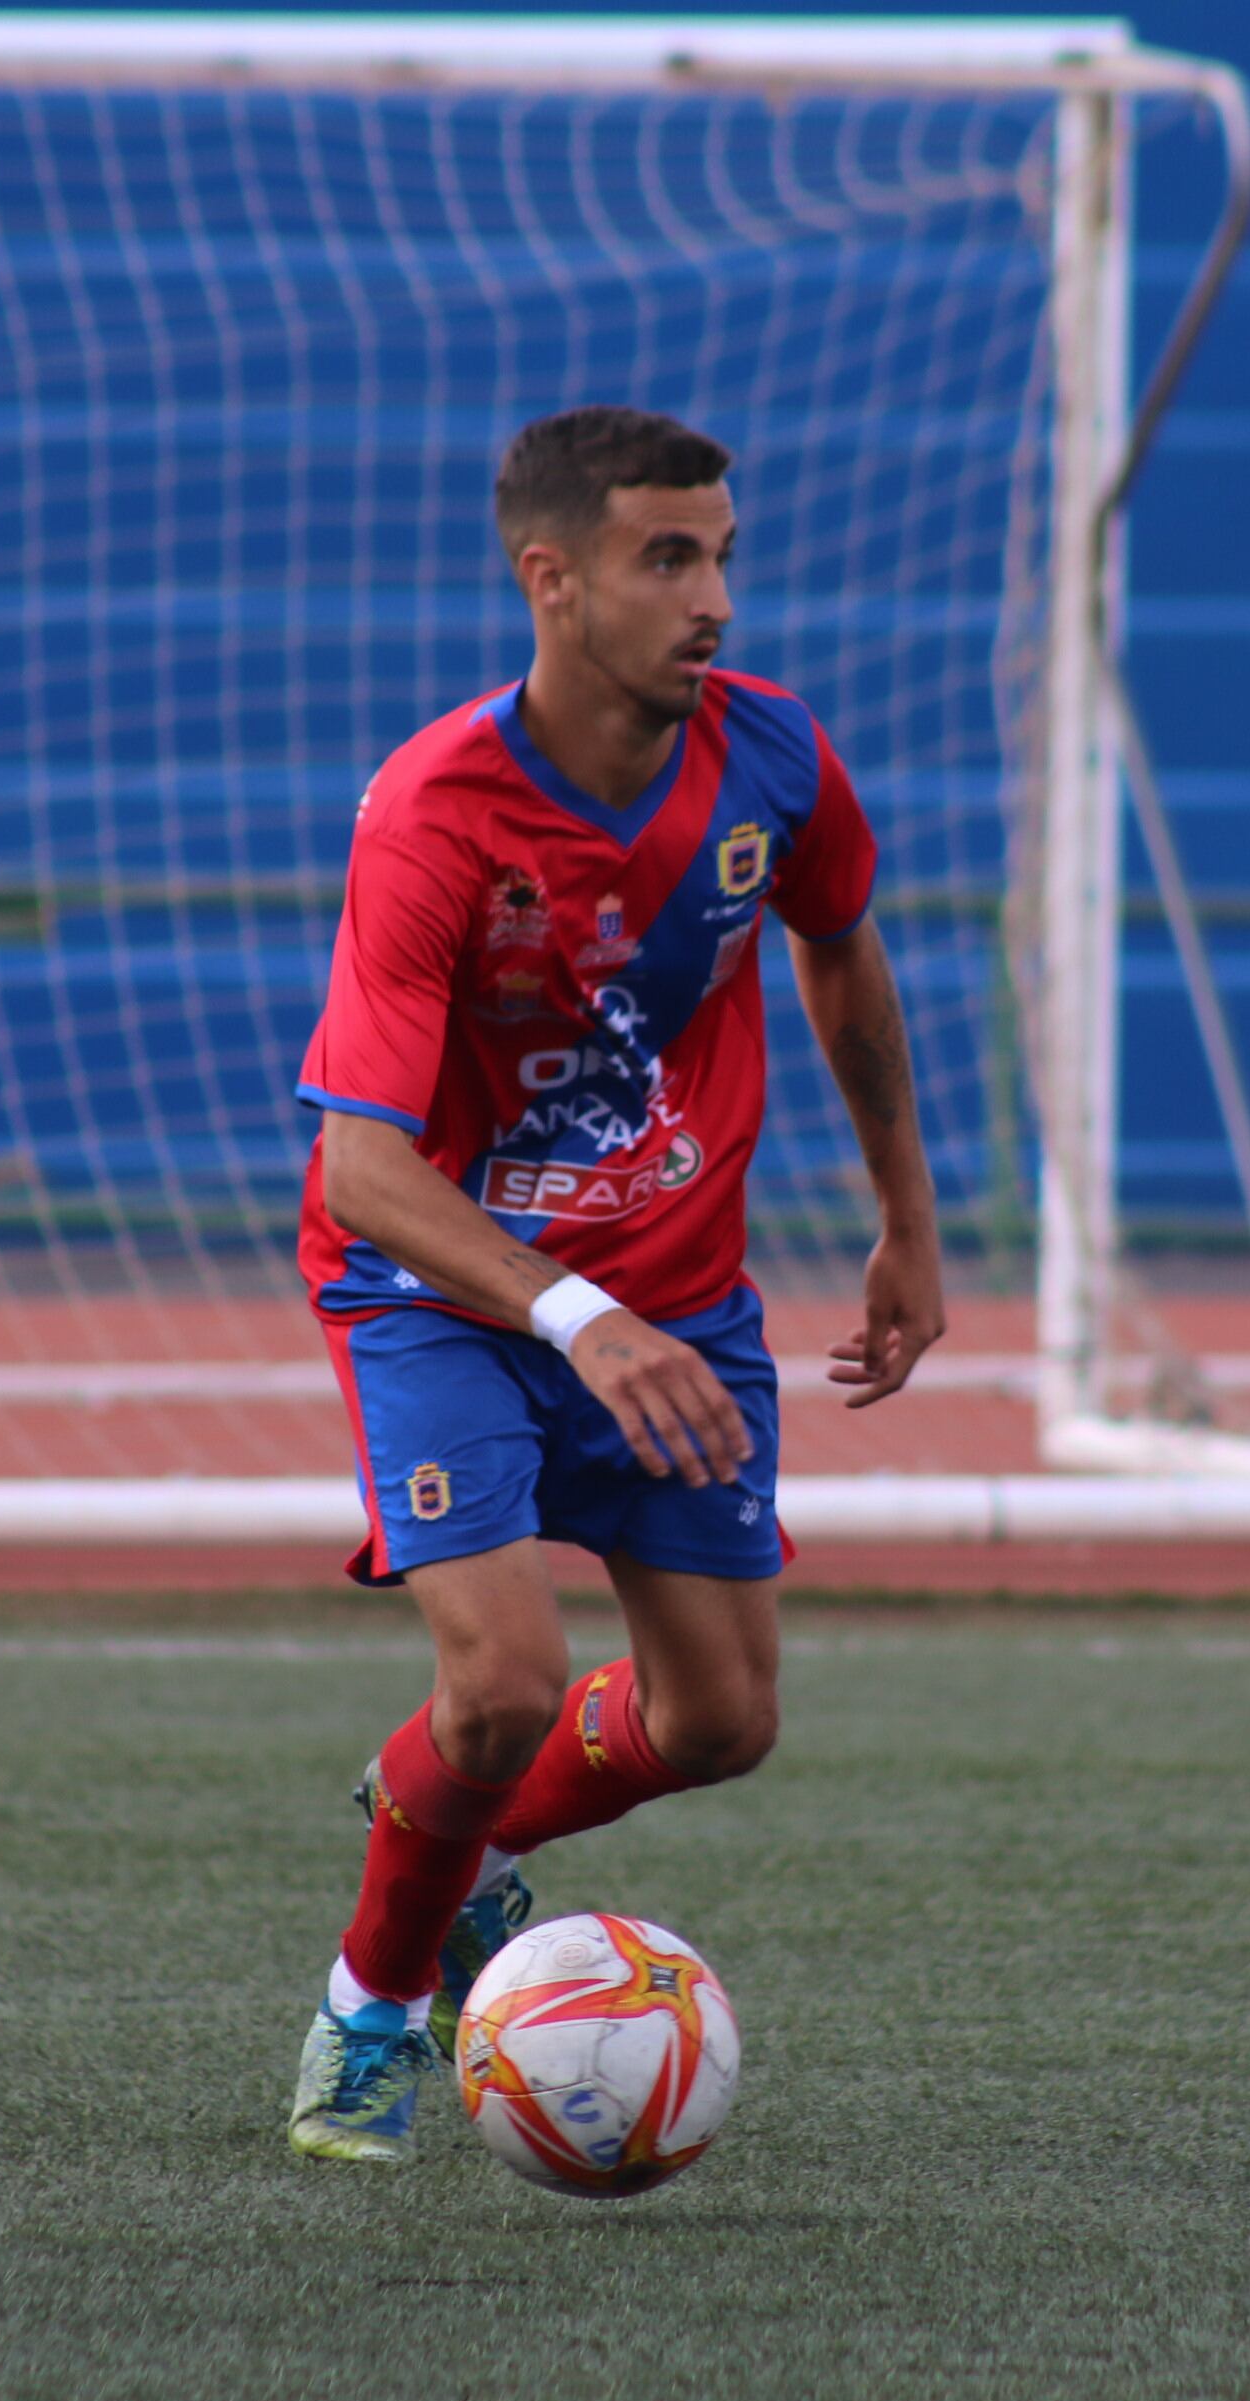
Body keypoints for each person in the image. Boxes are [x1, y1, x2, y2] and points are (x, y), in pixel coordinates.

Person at [284, 405, 945, 2162]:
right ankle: (369, 2009)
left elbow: (843, 954)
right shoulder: (437, 815)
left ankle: (463, 1836)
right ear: (552, 579)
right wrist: (576, 1313)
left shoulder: (775, 760)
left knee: (720, 1720)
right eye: (669, 558)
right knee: (498, 1683)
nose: (712, 595)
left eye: (722, 552)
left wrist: (908, 1218)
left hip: (679, 1296)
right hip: (448, 1292)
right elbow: (361, 1166)